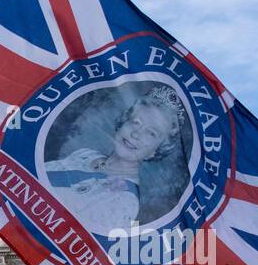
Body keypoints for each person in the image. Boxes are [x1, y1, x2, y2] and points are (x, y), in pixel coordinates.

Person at [44, 84, 188, 235]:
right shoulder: (86, 154)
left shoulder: (124, 202)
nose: (136, 134)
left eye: (151, 133)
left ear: (156, 151)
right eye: (136, 122)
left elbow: (69, 240)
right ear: (123, 122)